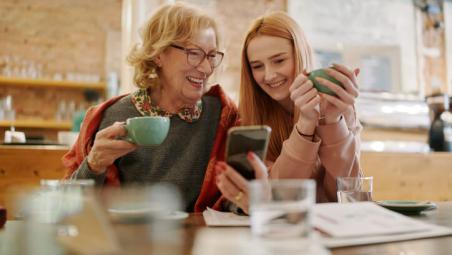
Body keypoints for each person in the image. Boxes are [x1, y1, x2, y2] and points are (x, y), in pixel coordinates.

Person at [62, 2, 239, 212]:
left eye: (211, 56)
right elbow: (66, 207)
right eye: (194, 53)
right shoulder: (112, 117)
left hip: (202, 242)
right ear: (159, 53)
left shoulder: (222, 115)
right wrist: (93, 165)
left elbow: (234, 198)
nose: (207, 68)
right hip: (133, 241)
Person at [216, 11, 362, 213]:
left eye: (279, 61)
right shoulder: (251, 117)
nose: (269, 75)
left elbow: (347, 194)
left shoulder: (338, 106)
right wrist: (305, 124)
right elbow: (276, 196)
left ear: (299, 54)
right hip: (280, 229)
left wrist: (332, 122)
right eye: (257, 66)